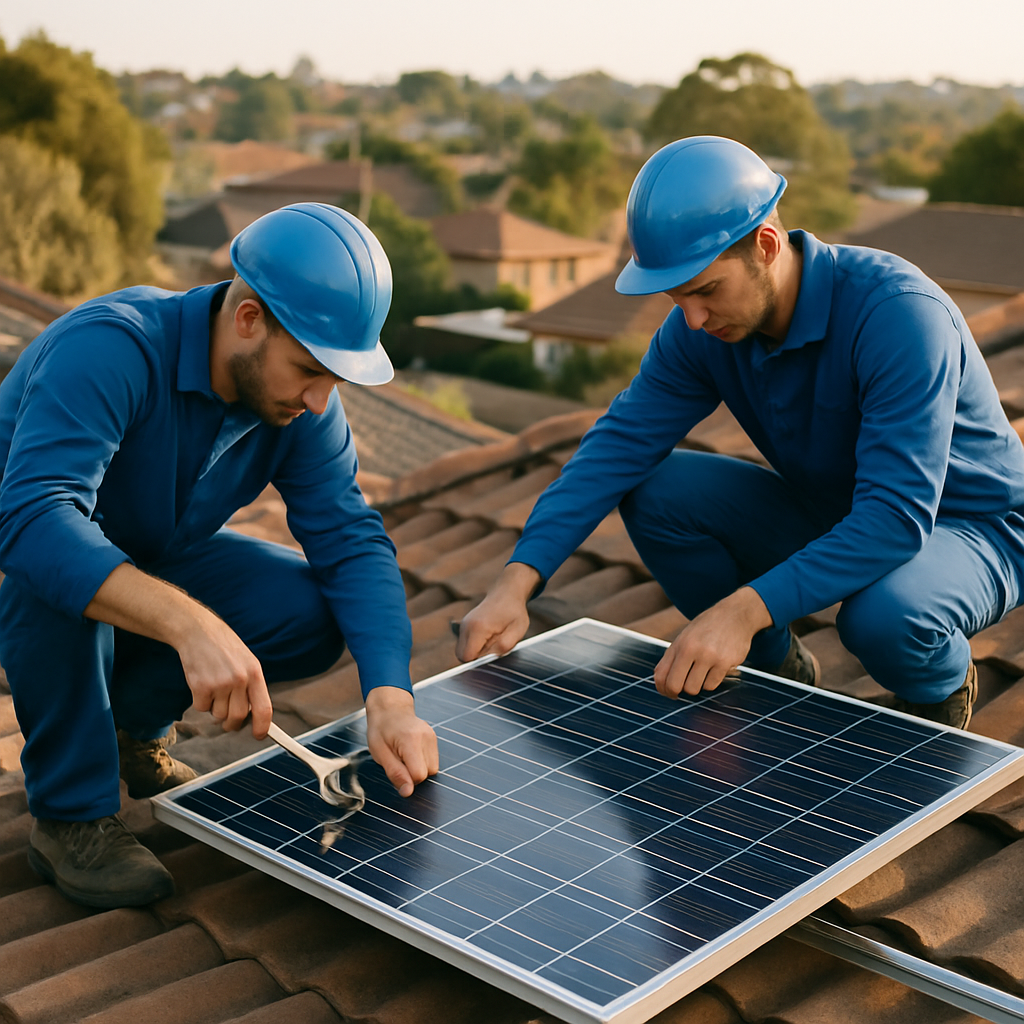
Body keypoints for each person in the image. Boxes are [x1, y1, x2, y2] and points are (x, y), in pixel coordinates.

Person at [457, 136, 1024, 733]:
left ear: (767, 245)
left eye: (705, 290)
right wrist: (515, 583)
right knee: (657, 492)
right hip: (836, 511)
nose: (694, 318)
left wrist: (741, 609)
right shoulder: (698, 331)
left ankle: (939, 691)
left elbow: (895, 516)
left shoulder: (898, 315)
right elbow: (617, 446)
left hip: (971, 528)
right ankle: (778, 670)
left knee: (883, 616)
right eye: (678, 298)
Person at [0, 202, 438, 909]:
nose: (323, 400)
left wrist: (389, 694)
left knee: (311, 608)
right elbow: (32, 520)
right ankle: (70, 815)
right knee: (57, 580)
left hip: (147, 555)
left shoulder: (299, 407)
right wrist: (190, 627)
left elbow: (352, 540)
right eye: (309, 368)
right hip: (28, 558)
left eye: (337, 376)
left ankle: (127, 731)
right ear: (247, 320)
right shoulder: (112, 348)